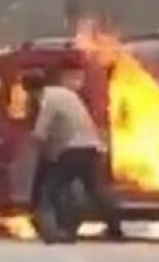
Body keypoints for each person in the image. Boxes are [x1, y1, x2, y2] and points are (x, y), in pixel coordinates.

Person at [31, 65, 122, 242]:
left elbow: (41, 132)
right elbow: (64, 125)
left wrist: (40, 150)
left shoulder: (48, 100)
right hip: (91, 147)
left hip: (73, 149)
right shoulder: (67, 93)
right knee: (94, 189)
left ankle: (64, 229)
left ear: (33, 91)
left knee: (55, 187)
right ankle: (115, 227)